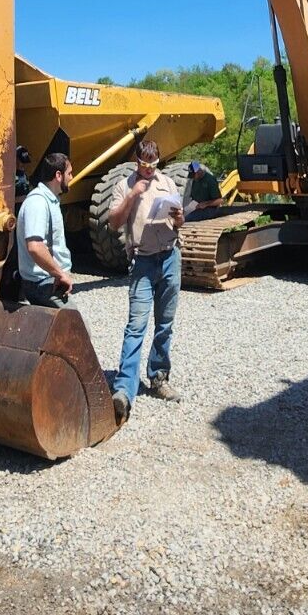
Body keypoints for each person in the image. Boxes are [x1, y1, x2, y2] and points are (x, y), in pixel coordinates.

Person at [108, 140, 184, 424]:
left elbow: (180, 222)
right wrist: (133, 196)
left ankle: (159, 377)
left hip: (169, 258)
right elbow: (114, 222)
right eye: (144, 164)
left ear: (158, 162)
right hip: (142, 261)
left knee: (165, 323)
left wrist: (178, 217)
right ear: (137, 161)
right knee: (136, 326)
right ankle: (124, 390)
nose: (148, 170)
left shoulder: (168, 184)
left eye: (153, 165)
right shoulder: (124, 185)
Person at [15, 152, 74, 306]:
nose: (72, 178)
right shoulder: (38, 203)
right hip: (43, 284)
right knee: (73, 327)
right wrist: (60, 274)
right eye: (70, 173)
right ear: (58, 175)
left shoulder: (49, 201)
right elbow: (35, 247)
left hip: (50, 281)